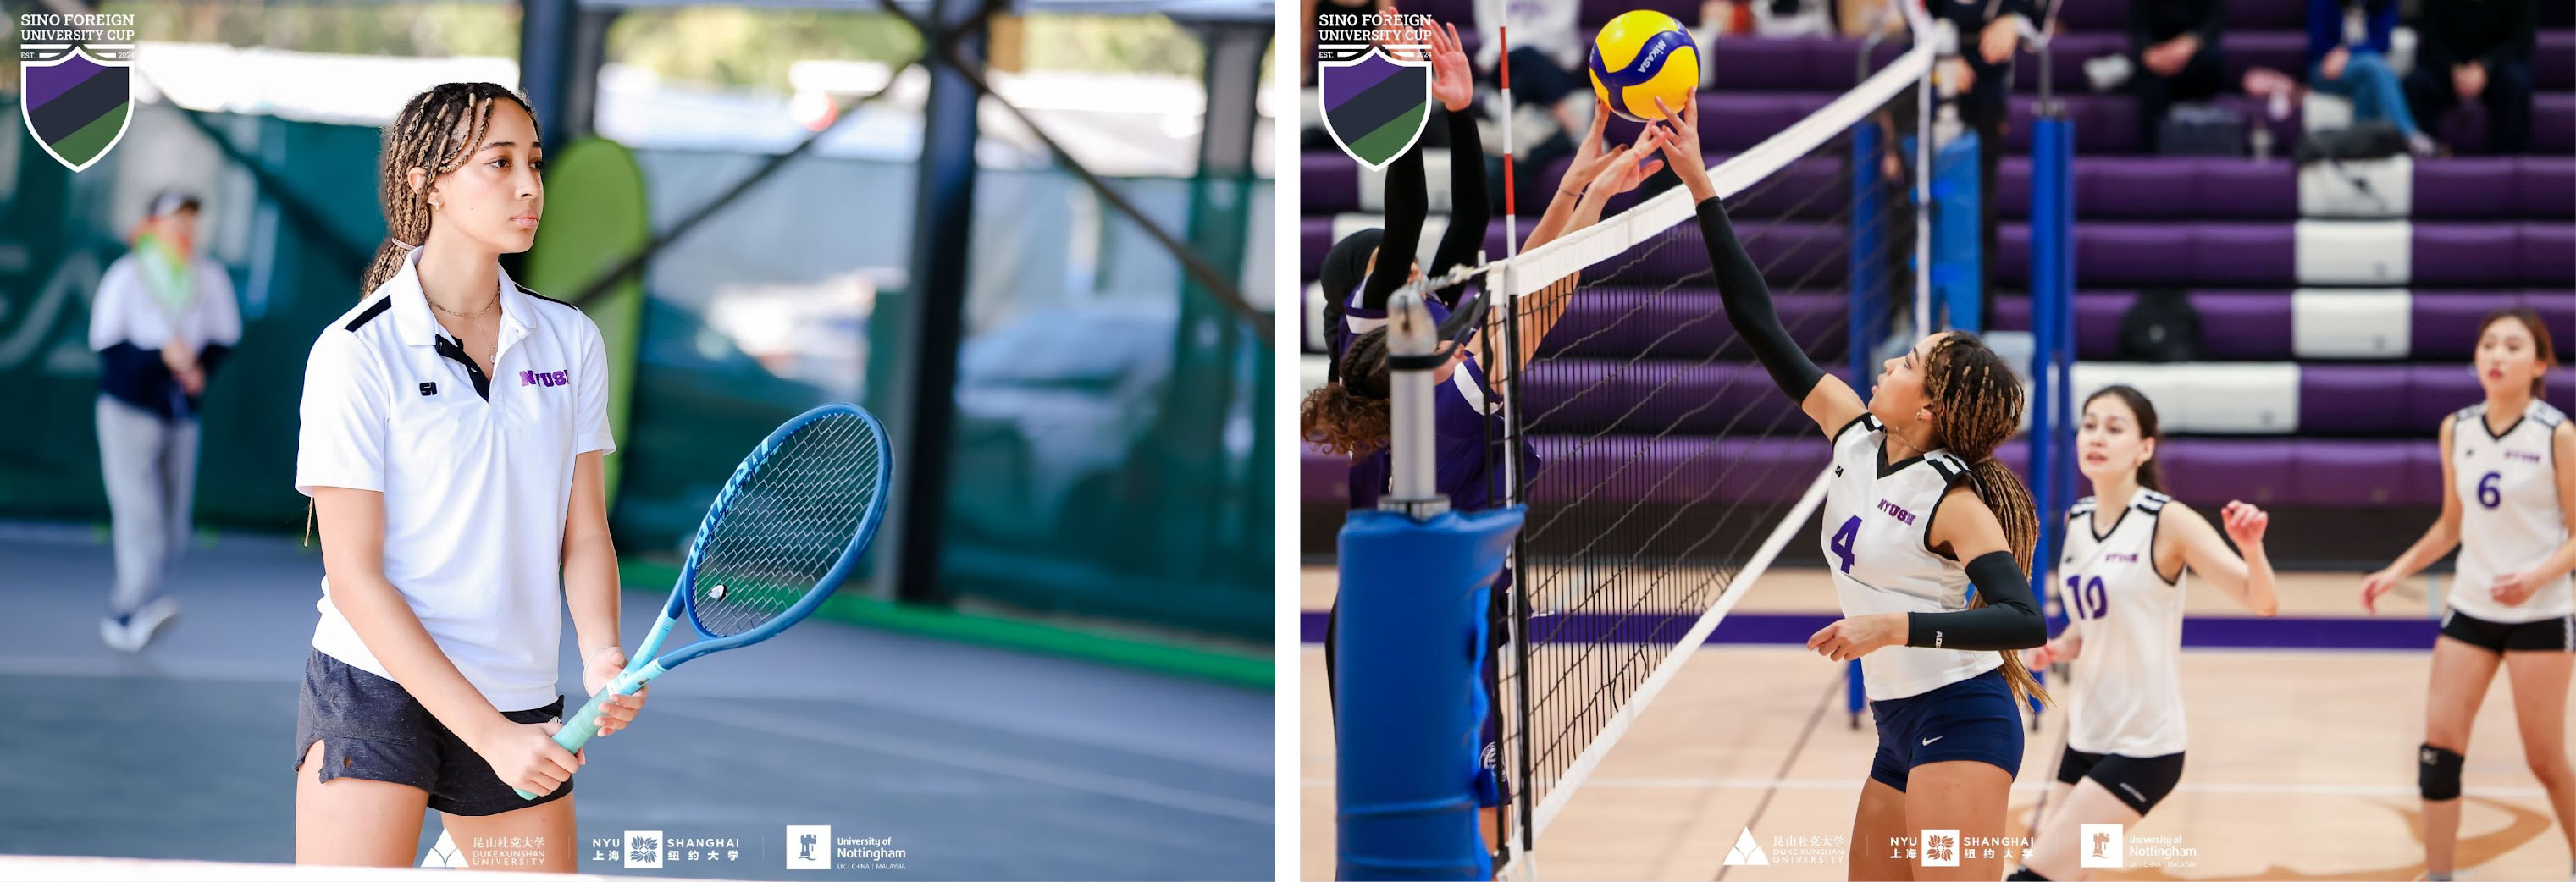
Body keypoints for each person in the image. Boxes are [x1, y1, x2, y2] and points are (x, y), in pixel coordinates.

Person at [1649, 96, 2046, 882]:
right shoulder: (1854, 432)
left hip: (1961, 717)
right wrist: (1700, 186)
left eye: (1907, 364)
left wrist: (1892, 626)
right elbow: (1758, 322)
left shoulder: (1953, 499)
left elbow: (2023, 620)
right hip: (1899, 720)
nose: (1890, 363)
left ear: (1930, 408)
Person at [292, 82, 647, 868]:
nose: (529, 186)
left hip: (522, 700)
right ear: (430, 183)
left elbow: (584, 530)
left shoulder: (571, 340)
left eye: (535, 161)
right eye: (499, 163)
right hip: (375, 690)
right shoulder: (355, 352)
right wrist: (486, 736)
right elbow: (354, 578)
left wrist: (601, 656)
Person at [2011, 386, 2280, 882]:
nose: (2097, 437)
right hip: (2088, 734)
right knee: (2073, 875)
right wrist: (2062, 646)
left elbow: (2262, 601)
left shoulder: (2166, 521)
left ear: (2144, 448)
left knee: (2035, 876)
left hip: (2144, 748)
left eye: (2115, 429)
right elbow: (2090, 622)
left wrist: (2251, 548)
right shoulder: (2076, 520)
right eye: (2089, 424)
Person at [2362, 307, 2576, 882]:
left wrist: (2535, 577)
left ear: (2538, 364)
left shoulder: (2557, 435)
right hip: (2471, 609)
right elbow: (2450, 525)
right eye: (2488, 345)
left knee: (2546, 761)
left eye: (2512, 347)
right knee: (2438, 752)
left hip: (2541, 614)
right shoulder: (2456, 428)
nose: (2498, 356)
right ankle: (2439, 876)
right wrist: (2396, 569)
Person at [87, 188, 240, 652]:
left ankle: (141, 603)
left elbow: (222, 337)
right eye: (176, 218)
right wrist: (158, 357)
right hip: (127, 409)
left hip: (180, 413)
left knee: (173, 523)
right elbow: (107, 345)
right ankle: (129, 611)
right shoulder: (128, 274)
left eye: (192, 218)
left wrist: (196, 370)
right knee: (141, 514)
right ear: (153, 222)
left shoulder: (207, 275)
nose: (185, 227)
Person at [2403, 0, 2535, 155]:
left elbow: (2521, 40)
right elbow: (2432, 37)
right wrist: (2453, 68)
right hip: (2450, 67)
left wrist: (2485, 67)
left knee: (2517, 83)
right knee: (2416, 85)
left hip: (2499, 66)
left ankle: (2508, 160)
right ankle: (2427, 155)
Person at [2307, 0, 2435, 157]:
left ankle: (2363, 146)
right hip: (2326, 68)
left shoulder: (2384, 3)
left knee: (2369, 79)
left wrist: (2348, 53)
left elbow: (2382, 42)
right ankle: (2407, 134)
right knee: (2375, 67)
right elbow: (2318, 43)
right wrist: (2337, 55)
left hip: (2366, 69)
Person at [2127, 0, 2226, 152]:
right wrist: (2151, 55)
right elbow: (2138, 30)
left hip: (2195, 56)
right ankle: (2153, 155)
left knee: (2210, 61)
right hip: (2156, 60)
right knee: (2151, 87)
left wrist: (2188, 45)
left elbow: (2213, 24)